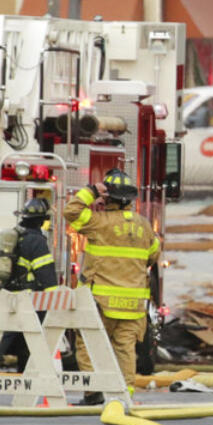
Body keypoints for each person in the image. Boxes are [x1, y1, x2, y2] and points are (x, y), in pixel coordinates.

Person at [64, 169, 160, 403]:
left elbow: (71, 211)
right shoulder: (145, 225)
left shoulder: (99, 223)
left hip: (101, 302)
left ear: (107, 198)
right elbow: (153, 255)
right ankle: (124, 396)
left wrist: (91, 191)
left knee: (88, 344)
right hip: (133, 305)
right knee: (125, 350)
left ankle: (93, 392)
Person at [0, 197, 60, 372]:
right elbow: (45, 272)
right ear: (41, 220)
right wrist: (56, 298)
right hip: (30, 297)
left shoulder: (18, 235)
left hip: (11, 292)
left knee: (7, 334)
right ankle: (35, 370)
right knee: (36, 335)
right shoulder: (36, 241)